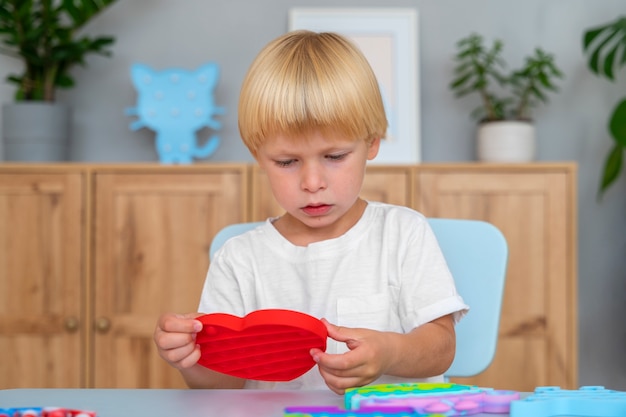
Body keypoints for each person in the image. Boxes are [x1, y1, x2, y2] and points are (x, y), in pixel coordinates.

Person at [153, 30, 468, 394]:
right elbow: (222, 384)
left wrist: (388, 352)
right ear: (259, 156)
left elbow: (441, 347)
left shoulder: (403, 233)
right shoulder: (240, 259)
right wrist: (188, 359)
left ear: (371, 142)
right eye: (287, 162)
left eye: (334, 157)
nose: (312, 181)